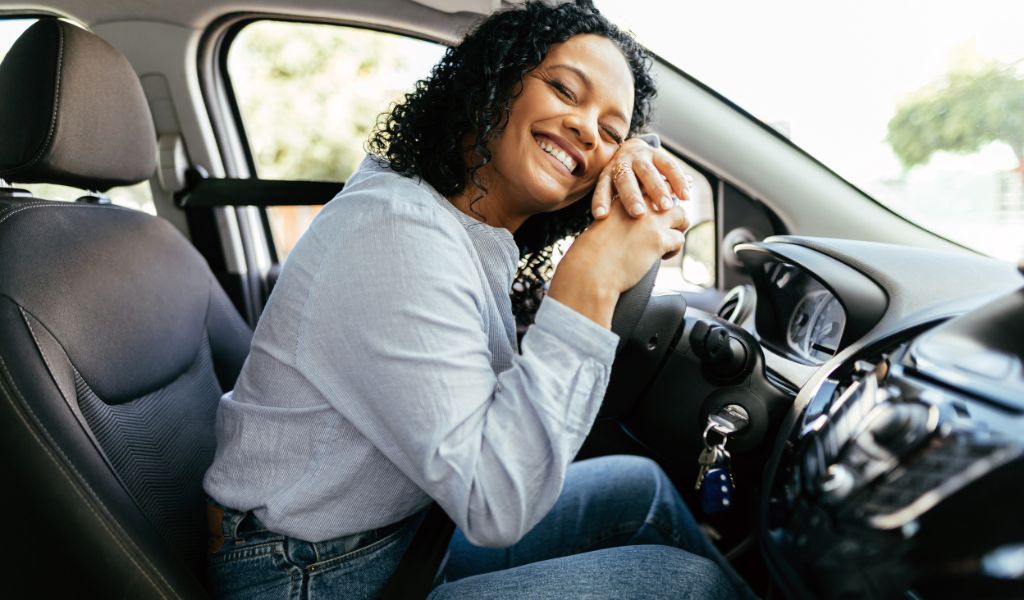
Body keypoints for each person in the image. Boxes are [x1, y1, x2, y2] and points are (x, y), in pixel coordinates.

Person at [203, 1, 752, 598]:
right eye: (565, 90)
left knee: (638, 487)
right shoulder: (396, 234)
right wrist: (589, 280)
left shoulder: (457, 224)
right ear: (491, 82)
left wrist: (635, 154)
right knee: (683, 586)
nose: (588, 130)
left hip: (404, 535)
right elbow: (495, 506)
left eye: (611, 133)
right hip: (306, 572)